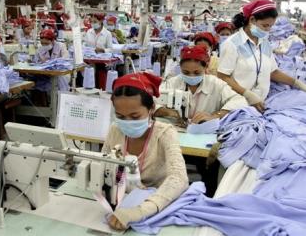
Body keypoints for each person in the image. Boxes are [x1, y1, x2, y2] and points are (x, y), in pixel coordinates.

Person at [104, 72, 188, 230]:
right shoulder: (115, 130)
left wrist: (140, 211)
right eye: (120, 116)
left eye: (135, 116)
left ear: (151, 109)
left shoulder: (165, 133)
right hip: (120, 202)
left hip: (158, 204)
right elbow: (103, 165)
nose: (126, 122)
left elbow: (179, 178)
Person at [218, 0, 306, 112]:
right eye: (265, 26)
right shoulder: (232, 44)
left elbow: (273, 72)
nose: (268, 30)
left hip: (261, 103)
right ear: (252, 20)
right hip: (237, 103)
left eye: (271, 26)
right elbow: (222, 76)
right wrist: (247, 94)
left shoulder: (264, 43)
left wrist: (297, 83)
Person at [154, 45, 247, 124]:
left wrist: (215, 115)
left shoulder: (215, 84)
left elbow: (240, 101)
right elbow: (150, 101)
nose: (191, 76)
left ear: (206, 67)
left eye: (197, 72)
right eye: (186, 72)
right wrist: (166, 112)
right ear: (180, 68)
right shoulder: (172, 83)